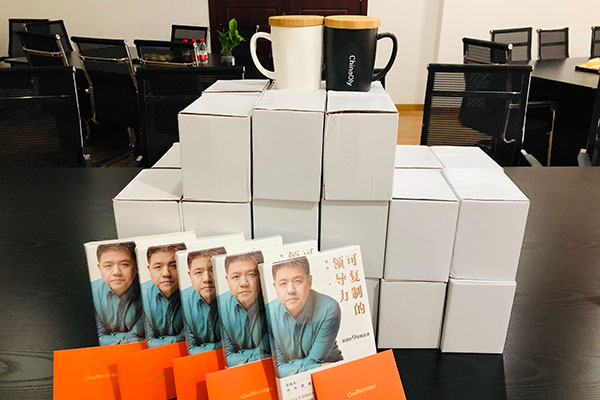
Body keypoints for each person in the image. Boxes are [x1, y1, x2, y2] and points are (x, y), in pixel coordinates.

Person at [267, 257, 343, 378]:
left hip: (329, 373)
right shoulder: (267, 314)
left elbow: (314, 360)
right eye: (283, 284)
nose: (291, 290)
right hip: (294, 379)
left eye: (297, 281)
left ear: (309, 282)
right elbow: (276, 369)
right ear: (275, 287)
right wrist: (283, 369)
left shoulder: (329, 308)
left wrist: (288, 367)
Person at [218, 251, 271, 367]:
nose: (243, 283)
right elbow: (228, 357)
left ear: (261, 275)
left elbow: (273, 353)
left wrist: (240, 356)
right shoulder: (222, 307)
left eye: (251, 275)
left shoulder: (274, 306)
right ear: (227, 280)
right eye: (236, 277)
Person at [91, 241, 145, 345]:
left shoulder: (149, 291)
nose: (116, 272)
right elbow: (99, 337)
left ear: (136, 267)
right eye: (108, 266)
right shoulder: (93, 292)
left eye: (124, 264)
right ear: (99, 268)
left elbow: (140, 334)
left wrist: (112, 339)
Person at [180, 247, 225, 355]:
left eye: (212, 270)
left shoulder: (238, 300)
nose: (206, 279)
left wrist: (204, 347)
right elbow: (191, 348)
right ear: (190, 276)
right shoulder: (185, 302)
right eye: (198, 272)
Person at [141, 243, 187, 347]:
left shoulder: (194, 296)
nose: (166, 273)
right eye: (158, 267)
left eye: (173, 266)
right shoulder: (143, 295)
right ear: (149, 270)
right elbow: (148, 339)